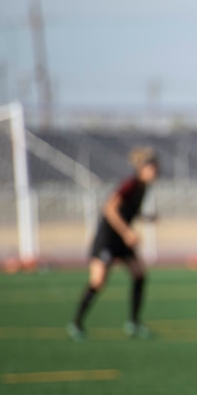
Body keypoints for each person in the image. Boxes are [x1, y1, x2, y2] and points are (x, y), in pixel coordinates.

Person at [67, 146, 159, 340]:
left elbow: (128, 210)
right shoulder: (131, 184)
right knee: (98, 281)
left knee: (139, 274)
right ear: (141, 168)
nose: (155, 171)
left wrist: (145, 217)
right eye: (152, 168)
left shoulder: (143, 188)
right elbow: (110, 208)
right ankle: (76, 323)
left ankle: (133, 323)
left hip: (121, 240)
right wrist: (127, 232)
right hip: (108, 238)